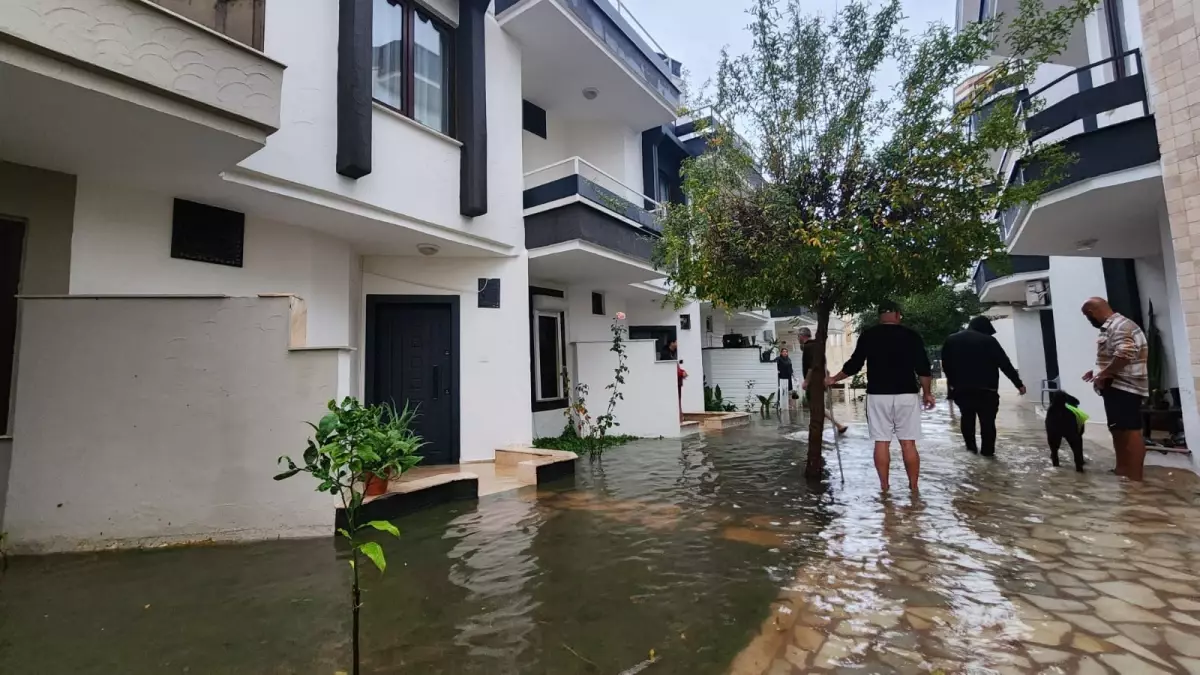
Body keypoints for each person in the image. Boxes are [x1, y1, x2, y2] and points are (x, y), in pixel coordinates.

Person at [827, 301, 934, 492]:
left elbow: (855, 364)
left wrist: (833, 378)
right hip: (906, 394)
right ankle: (914, 489)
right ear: (898, 315)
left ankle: (885, 489)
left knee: (881, 442)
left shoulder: (869, 335)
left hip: (878, 395)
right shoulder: (911, 335)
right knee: (908, 443)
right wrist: (927, 393)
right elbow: (923, 369)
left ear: (879, 316)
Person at [1081, 297, 1149, 481]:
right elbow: (1116, 354)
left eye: (1088, 318)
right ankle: (1122, 470)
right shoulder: (1114, 326)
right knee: (1118, 429)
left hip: (1126, 387)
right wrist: (1097, 371)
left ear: (1091, 313)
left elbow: (1125, 354)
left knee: (1130, 431)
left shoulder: (1120, 326)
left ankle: (1135, 481)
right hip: (1116, 387)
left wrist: (1105, 373)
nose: (1089, 321)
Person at [941, 316, 1027, 457]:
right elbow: (1005, 364)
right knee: (988, 422)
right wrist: (1019, 384)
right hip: (987, 390)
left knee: (967, 418)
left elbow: (946, 365)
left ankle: (971, 451)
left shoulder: (952, 340)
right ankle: (988, 454)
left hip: (962, 390)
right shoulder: (989, 341)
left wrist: (952, 384)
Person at [797, 327, 848, 433]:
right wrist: (827, 376)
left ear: (802, 336)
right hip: (820, 380)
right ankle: (837, 426)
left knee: (817, 407)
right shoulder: (817, 346)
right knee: (818, 407)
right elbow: (823, 363)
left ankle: (834, 426)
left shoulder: (808, 347)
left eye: (798, 336)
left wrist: (806, 381)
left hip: (814, 382)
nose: (798, 339)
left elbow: (812, 366)